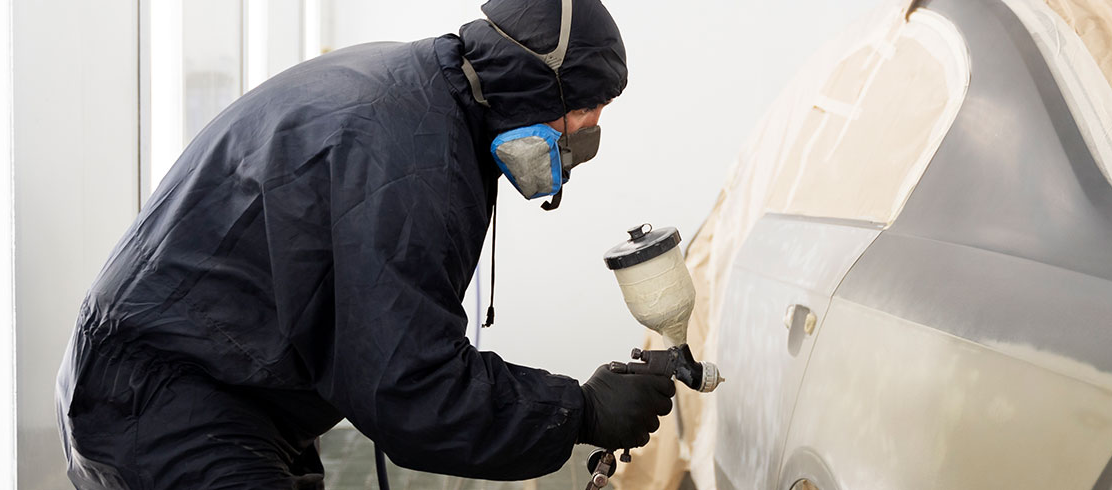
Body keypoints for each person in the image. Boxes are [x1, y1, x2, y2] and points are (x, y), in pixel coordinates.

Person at [56, 0, 674, 488]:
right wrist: (580, 410)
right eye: (587, 106)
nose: (589, 132)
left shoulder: (426, 90)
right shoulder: (412, 159)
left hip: (210, 381)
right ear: (535, 81)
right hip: (166, 397)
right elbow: (412, 386)